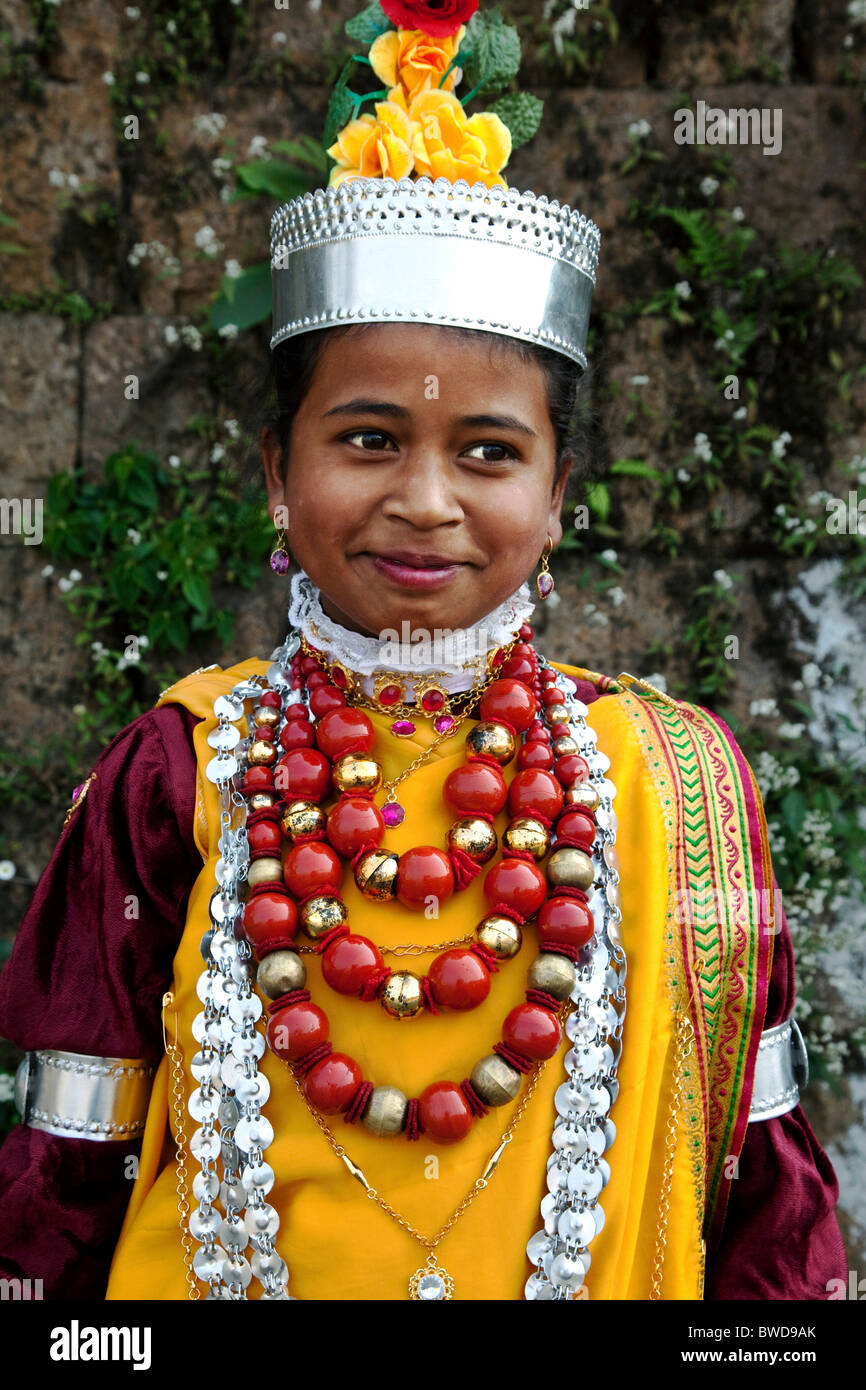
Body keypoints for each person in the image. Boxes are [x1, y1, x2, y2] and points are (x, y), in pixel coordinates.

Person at [0, 0, 846, 1301]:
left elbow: (768, 1206)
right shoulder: (177, 770)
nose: (428, 498)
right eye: (367, 437)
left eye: (490, 452)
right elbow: (52, 1204)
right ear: (277, 474)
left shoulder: (672, 786)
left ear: (561, 491)